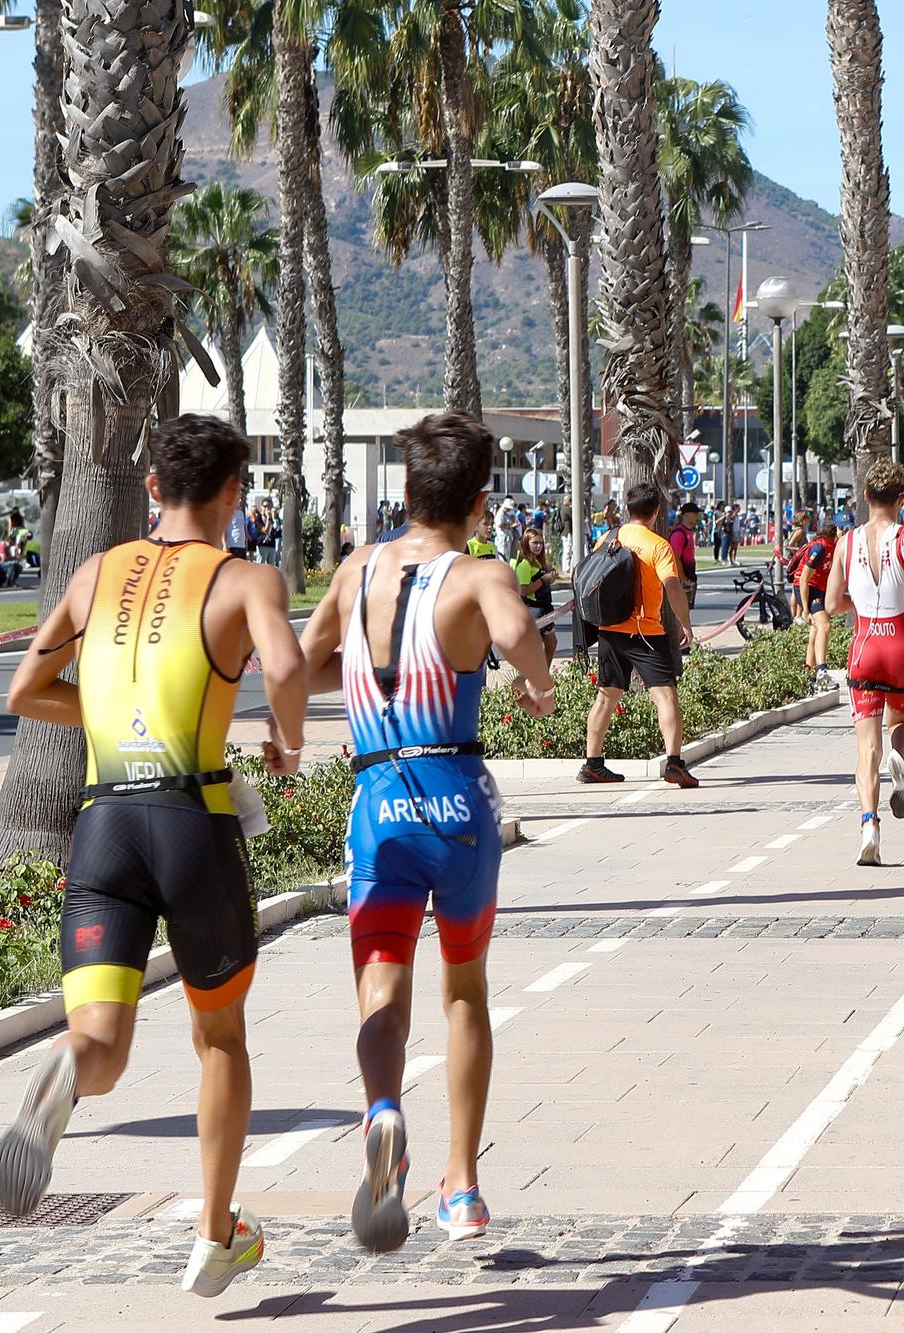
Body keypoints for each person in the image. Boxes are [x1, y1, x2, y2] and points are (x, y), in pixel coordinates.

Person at [0, 413, 307, 1296]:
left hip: (103, 829)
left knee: (101, 1039)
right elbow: (284, 669)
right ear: (234, 494)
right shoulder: (244, 579)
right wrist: (286, 742)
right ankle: (214, 1237)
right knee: (220, 1036)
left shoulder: (96, 574)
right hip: (192, 820)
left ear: (152, 490)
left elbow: (26, 689)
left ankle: (66, 1072)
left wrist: (106, 718)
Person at [296, 410, 557, 1253]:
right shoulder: (481, 575)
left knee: (382, 989)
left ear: (405, 491)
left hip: (379, 800)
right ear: (480, 503)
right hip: (458, 800)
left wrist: (289, 734)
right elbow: (520, 641)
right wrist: (540, 686)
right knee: (465, 992)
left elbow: (300, 661)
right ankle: (465, 1187)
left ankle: (382, 1114)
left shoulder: (354, 570)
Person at [826, 460, 904, 866]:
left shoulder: (848, 541)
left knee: (864, 749)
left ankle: (869, 825)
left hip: (864, 644)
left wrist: (855, 603)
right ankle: (900, 758)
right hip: (901, 645)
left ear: (865, 496)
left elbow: (829, 603)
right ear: (901, 499)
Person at [578, 483, 698, 788]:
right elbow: (672, 586)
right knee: (665, 695)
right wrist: (686, 624)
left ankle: (592, 765)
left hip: (609, 629)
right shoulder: (658, 545)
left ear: (627, 508)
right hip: (645, 632)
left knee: (606, 696)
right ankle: (674, 764)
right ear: (656, 511)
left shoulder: (609, 537)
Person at [797, 523, 839, 690]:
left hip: (819, 589)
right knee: (825, 625)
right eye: (844, 529)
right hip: (809, 589)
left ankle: (809, 673)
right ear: (837, 532)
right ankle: (822, 672)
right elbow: (803, 580)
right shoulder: (820, 548)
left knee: (816, 630)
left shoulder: (837, 547)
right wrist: (805, 610)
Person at [513, 526, 561, 664]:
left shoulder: (539, 562)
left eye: (540, 543)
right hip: (533, 610)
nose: (539, 546)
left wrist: (550, 578)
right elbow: (523, 591)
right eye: (535, 543)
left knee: (551, 644)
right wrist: (542, 580)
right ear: (526, 544)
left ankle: (542, 677)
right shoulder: (524, 565)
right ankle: (531, 680)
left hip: (545, 608)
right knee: (534, 649)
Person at [669, 502, 702, 610]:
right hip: (683, 580)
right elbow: (675, 558)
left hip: (690, 577)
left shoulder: (688, 532)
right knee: (681, 612)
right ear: (686, 515)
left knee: (687, 611)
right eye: (695, 514)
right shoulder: (679, 534)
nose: (697, 516)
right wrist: (683, 580)